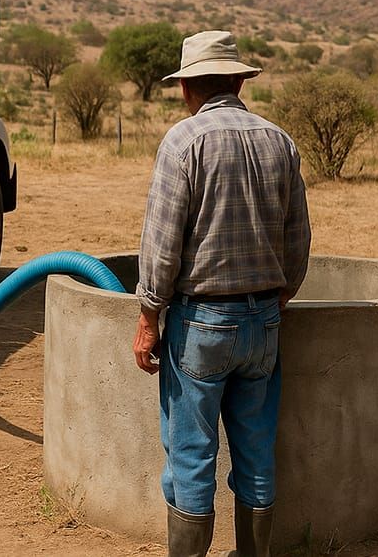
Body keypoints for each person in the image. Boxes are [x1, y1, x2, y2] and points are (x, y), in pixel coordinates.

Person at [132, 30, 311, 557]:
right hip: (263, 325)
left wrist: (148, 317)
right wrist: (281, 294)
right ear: (238, 80)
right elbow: (298, 239)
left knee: (191, 456)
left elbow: (162, 246)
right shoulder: (279, 141)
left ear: (188, 88)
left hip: (202, 326)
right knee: (256, 453)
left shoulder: (184, 142)